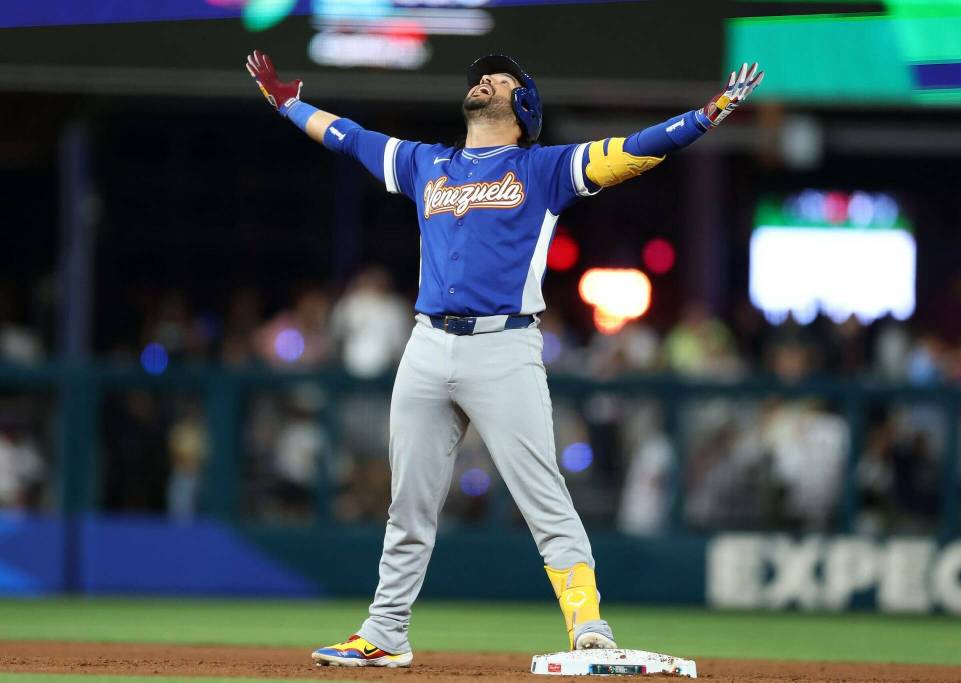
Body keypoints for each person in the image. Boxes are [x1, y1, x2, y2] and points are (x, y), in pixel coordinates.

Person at [246, 49, 763, 668]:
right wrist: (288, 103)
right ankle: (385, 633)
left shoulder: (543, 169)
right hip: (427, 342)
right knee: (408, 502)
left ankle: (589, 625)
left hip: (505, 345)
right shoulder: (425, 161)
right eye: (482, 77)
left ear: (523, 107)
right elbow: (349, 138)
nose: (484, 79)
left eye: (500, 78)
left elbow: (631, 150)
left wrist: (705, 116)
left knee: (543, 494)